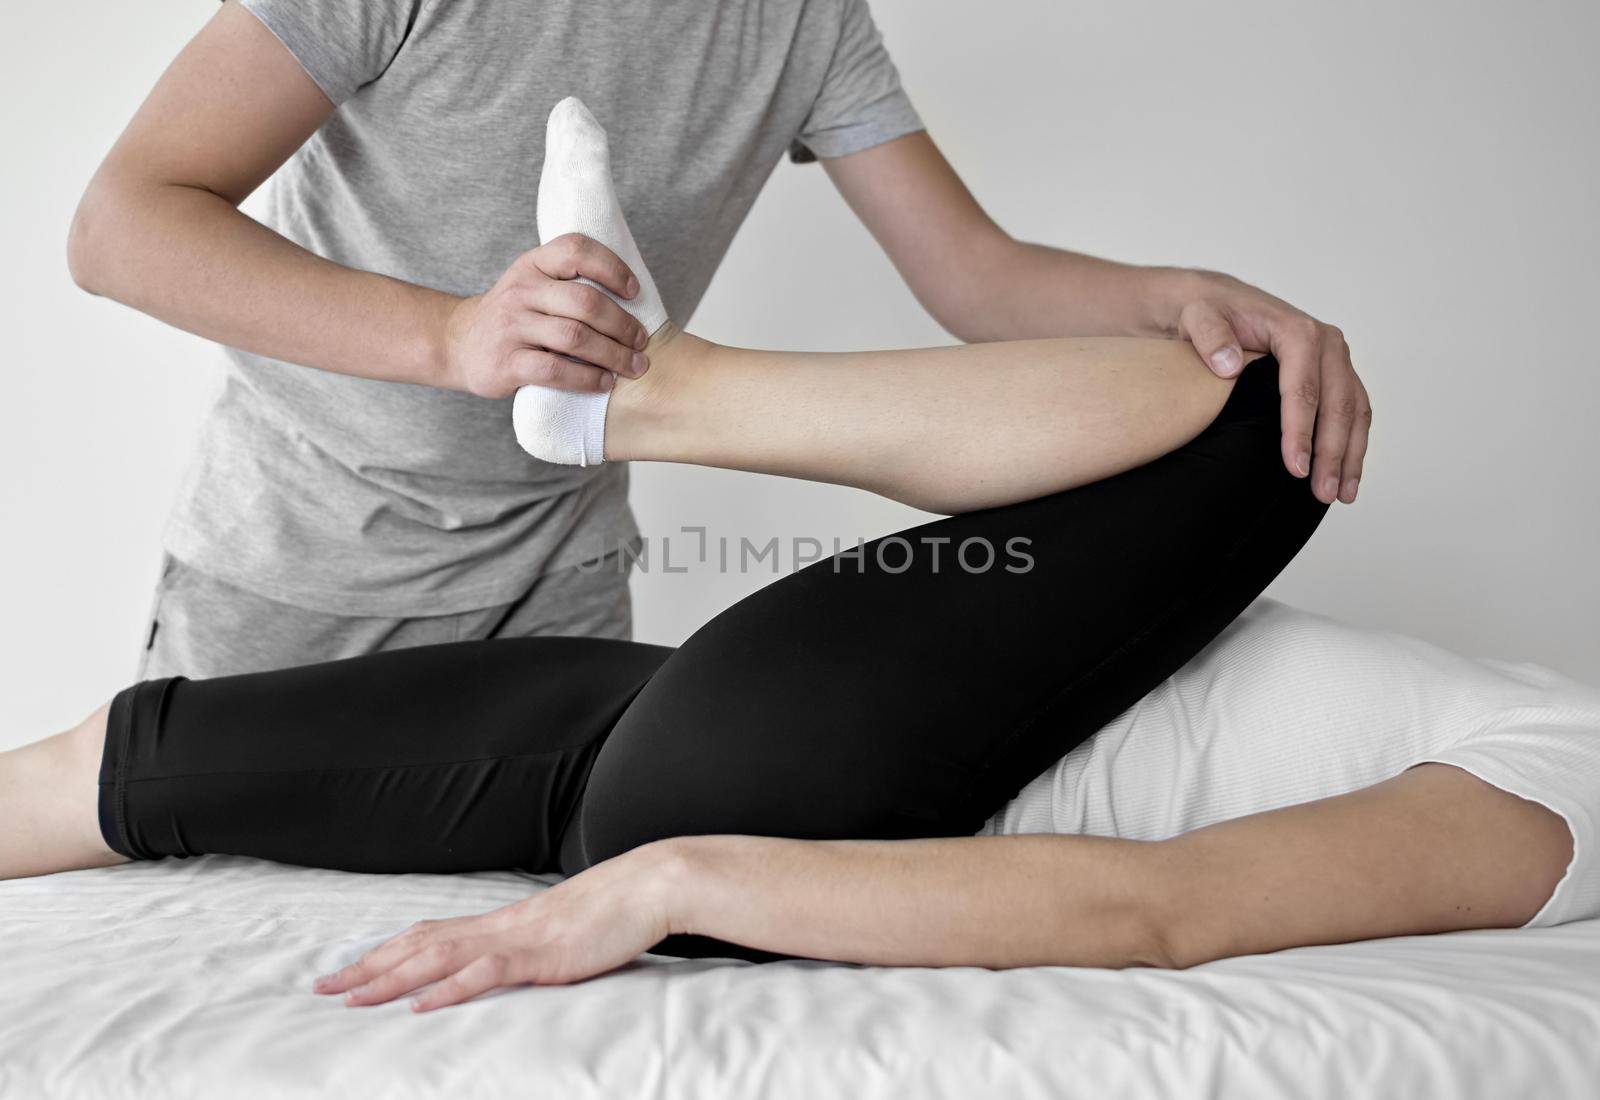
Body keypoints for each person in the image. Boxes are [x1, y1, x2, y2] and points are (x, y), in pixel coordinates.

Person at [7, 104, 1587, 1015]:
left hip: (788, 800)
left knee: (1256, 426)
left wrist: (670, 887)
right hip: (721, 723)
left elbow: (1161, 912)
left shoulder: (1577, 801)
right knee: (135, 763)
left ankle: (657, 394)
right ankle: (649, 402)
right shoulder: (1553, 709)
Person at [65, 0, 1371, 681]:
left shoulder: (803, 19)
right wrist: (454, 339)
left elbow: (978, 278)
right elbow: (123, 225)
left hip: (558, 589)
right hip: (292, 580)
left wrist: (1187, 296)